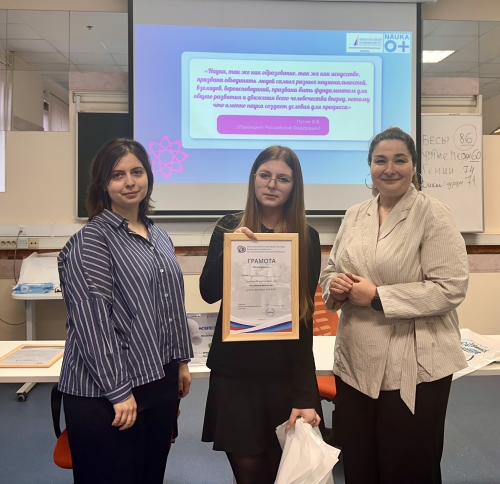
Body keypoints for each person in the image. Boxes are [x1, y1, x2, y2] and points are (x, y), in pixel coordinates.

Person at [320, 126, 469, 484]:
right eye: (380, 161)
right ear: (369, 166)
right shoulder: (354, 214)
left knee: (408, 466)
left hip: (415, 365)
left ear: (414, 166)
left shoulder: (433, 214)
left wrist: (377, 297)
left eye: (399, 160)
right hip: (356, 361)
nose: (389, 169)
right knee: (360, 463)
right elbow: (331, 269)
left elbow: (450, 288)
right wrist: (335, 285)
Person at [57, 138, 194, 484]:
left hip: (157, 379)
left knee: (150, 475)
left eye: (137, 172)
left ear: (148, 176)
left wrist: (180, 362)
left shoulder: (158, 235)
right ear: (102, 184)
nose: (129, 182)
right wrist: (118, 391)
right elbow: (92, 324)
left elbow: (171, 305)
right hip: (106, 392)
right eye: (117, 175)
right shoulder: (92, 241)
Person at [200, 146, 323, 484]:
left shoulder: (307, 238)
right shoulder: (228, 227)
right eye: (265, 175)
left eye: (283, 179)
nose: (272, 184)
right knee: (249, 470)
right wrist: (231, 251)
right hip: (235, 374)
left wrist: (305, 394)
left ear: (294, 187)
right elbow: (208, 292)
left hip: (282, 374)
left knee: (283, 469)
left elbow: (304, 318)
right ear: (253, 179)